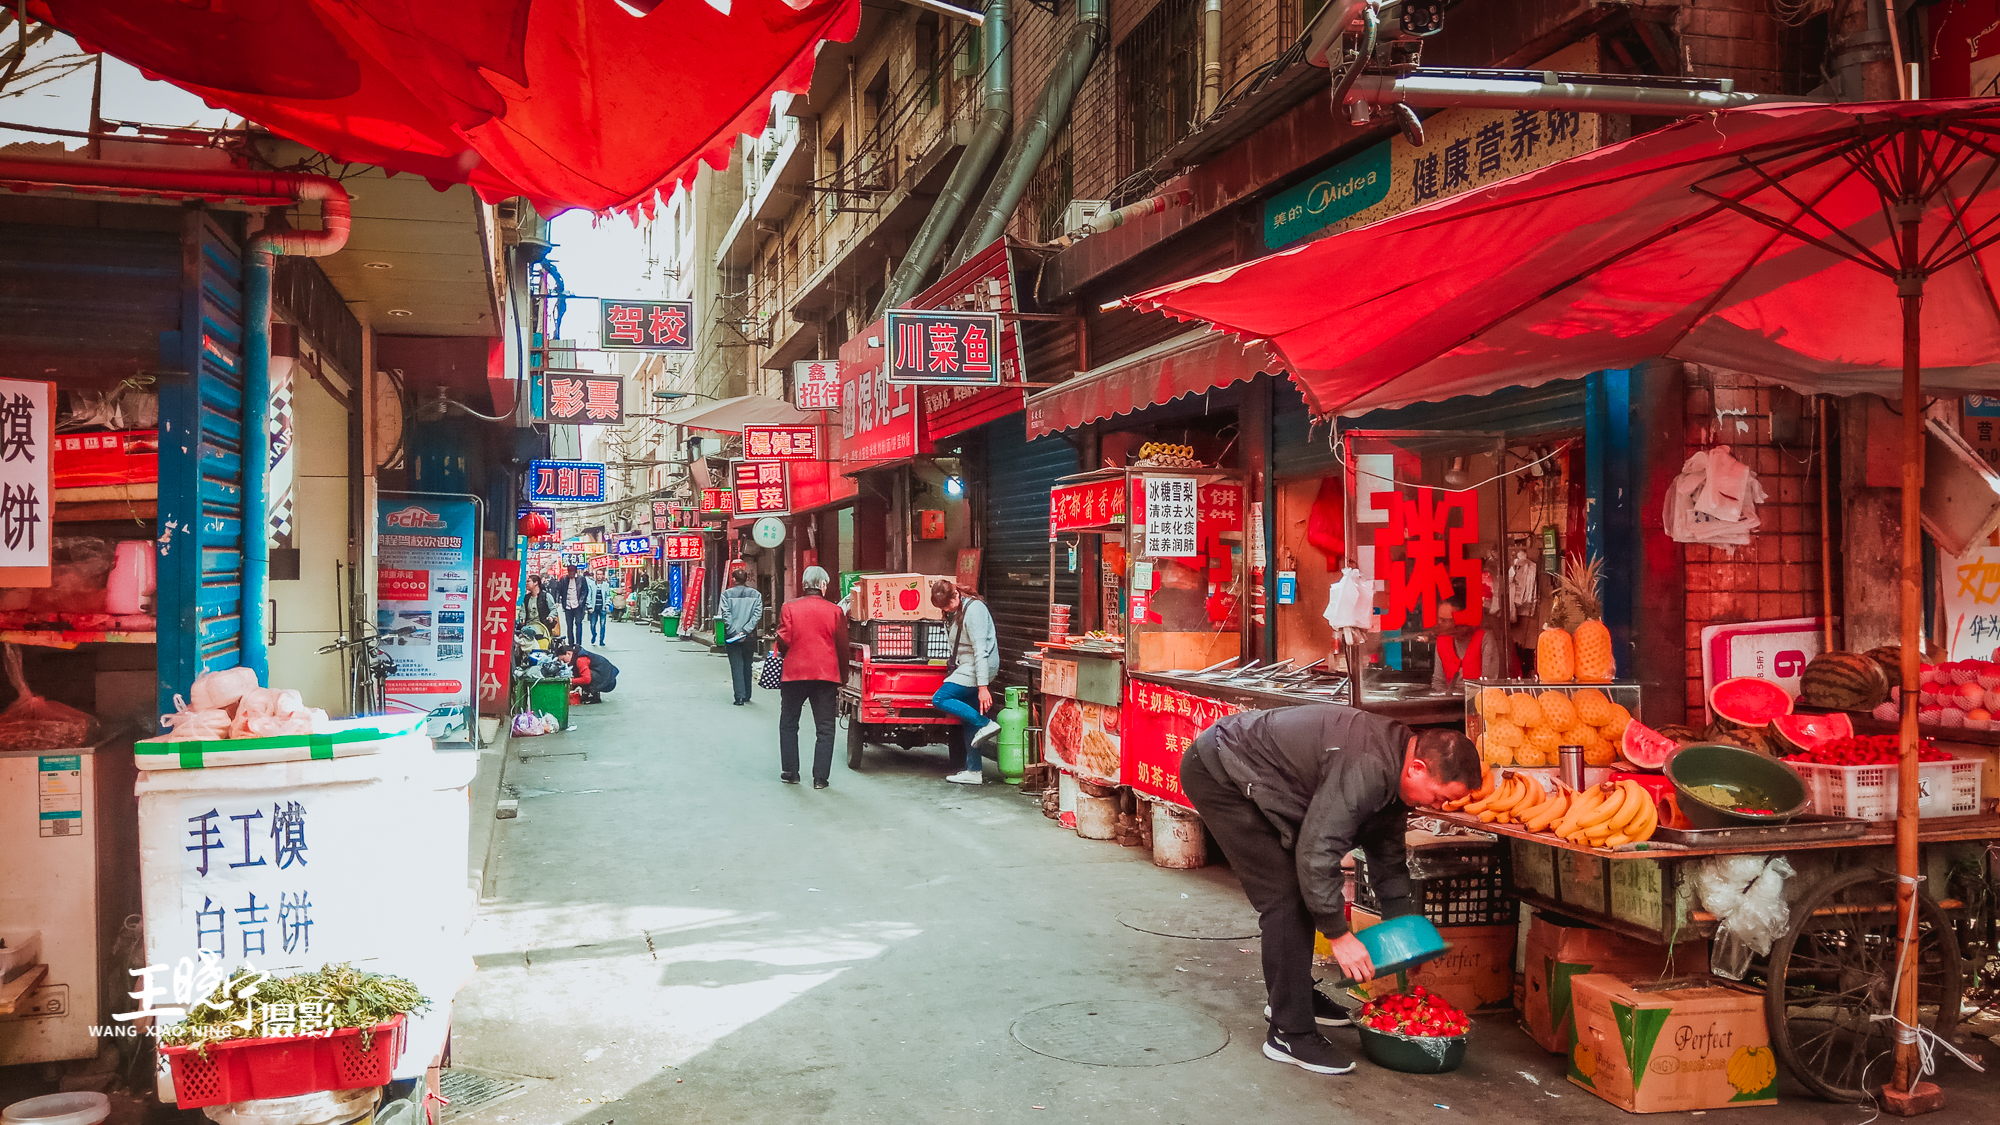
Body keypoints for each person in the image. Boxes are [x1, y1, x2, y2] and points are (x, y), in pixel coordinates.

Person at [1180, 705, 1479, 1076]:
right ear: (1417, 767)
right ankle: (1289, 1034)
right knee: (1286, 898)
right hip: (1221, 773)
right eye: (1438, 796)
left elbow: (1387, 858)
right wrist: (1338, 935)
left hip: (1263, 780)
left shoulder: (1396, 771)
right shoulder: (1369, 767)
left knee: (1301, 890)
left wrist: (1406, 934)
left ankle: (1294, 998)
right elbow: (1317, 852)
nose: (1439, 806)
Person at [775, 566, 849, 788]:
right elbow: (842, 647)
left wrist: (792, 654)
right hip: (825, 675)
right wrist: (842, 677)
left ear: (804, 584)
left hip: (794, 674)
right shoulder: (835, 611)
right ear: (823, 585)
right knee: (825, 727)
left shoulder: (789, 608)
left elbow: (783, 639)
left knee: (789, 722)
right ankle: (820, 778)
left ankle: (791, 771)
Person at [927, 578, 1000, 784]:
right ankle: (974, 770)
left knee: (941, 698)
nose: (947, 609)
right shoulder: (959, 608)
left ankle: (986, 724)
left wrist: (983, 686)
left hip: (977, 667)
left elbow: (980, 651)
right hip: (968, 667)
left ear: (956, 595)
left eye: (948, 605)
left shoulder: (974, 610)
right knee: (968, 719)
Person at [1429, 593, 1507, 694]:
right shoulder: (1442, 640)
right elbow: (1438, 682)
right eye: (1441, 620)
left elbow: (1489, 683)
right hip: (1449, 702)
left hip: (1479, 701)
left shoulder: (1484, 638)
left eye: (1448, 621)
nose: (1442, 625)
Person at [719, 567, 763, 705]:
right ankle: (747, 695)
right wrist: (745, 631)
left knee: (736, 665)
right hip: (749, 636)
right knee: (747, 664)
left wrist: (734, 631)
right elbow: (757, 615)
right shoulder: (756, 595)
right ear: (746, 579)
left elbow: (726, 615)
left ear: (733, 579)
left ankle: (739, 696)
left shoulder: (726, 595)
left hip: (732, 635)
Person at [555, 564, 592, 645]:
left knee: (578, 624)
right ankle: (571, 643)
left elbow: (585, 591)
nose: (571, 575)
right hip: (568, 605)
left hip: (578, 606)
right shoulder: (563, 579)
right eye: (570, 573)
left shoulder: (581, 579)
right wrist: (557, 601)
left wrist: (581, 602)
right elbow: (558, 590)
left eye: (573, 573)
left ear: (575, 572)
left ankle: (579, 643)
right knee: (569, 625)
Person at [588, 574, 611, 644]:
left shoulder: (606, 585)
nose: (599, 576)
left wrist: (607, 604)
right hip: (594, 608)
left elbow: (608, 596)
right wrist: (590, 606)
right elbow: (589, 596)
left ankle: (601, 640)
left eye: (601, 574)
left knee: (603, 625)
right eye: (598, 574)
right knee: (592, 625)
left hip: (602, 608)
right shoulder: (591, 585)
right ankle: (594, 635)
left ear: (603, 576)